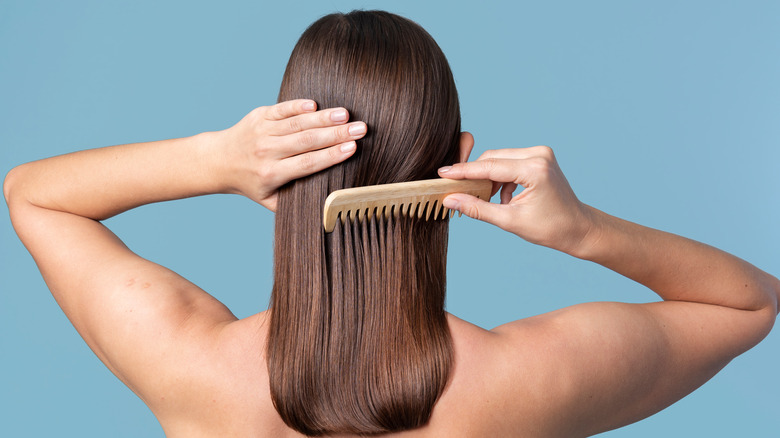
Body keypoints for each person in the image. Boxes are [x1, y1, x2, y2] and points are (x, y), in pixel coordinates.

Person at [4, 10, 778, 438]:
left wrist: (216, 158)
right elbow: (748, 303)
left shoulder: (191, 365)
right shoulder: (524, 381)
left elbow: (32, 195)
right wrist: (583, 230)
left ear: (284, 166)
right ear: (459, 162)